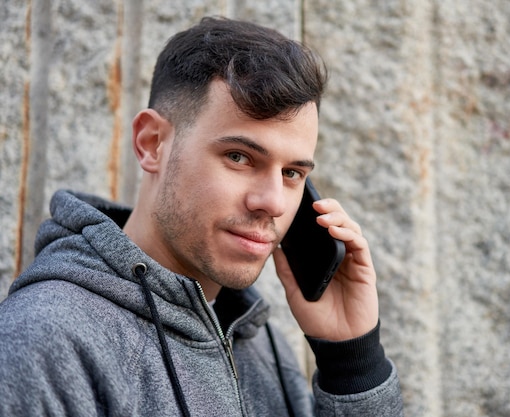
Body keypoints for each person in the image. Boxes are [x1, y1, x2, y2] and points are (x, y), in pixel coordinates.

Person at [0, 16, 403, 416]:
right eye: (239, 157)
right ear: (152, 143)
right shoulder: (41, 341)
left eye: (292, 173)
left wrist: (352, 364)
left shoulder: (263, 347)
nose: (274, 202)